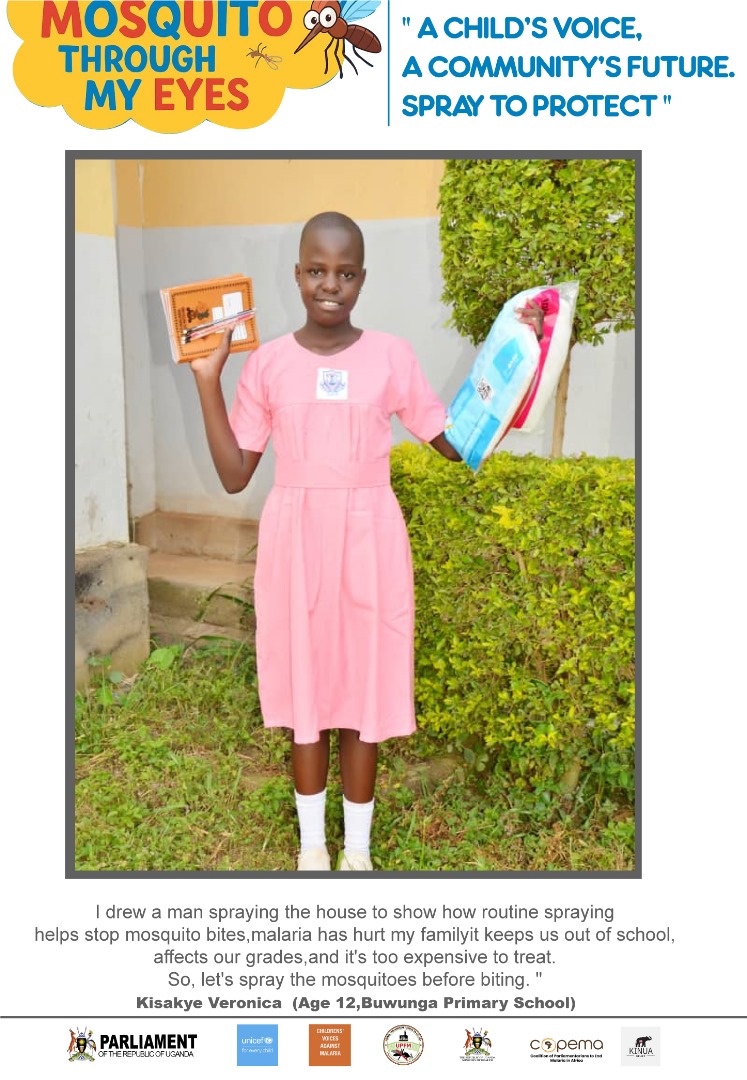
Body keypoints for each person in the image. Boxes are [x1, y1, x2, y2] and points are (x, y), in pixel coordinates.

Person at [189, 211, 543, 872]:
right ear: (297, 275)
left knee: (364, 691)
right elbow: (236, 474)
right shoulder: (266, 364)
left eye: (345, 273)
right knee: (306, 696)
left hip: (369, 543)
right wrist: (208, 381)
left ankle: (356, 851)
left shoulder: (389, 356)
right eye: (317, 271)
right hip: (296, 543)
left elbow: (450, 441)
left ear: (361, 279)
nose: (331, 285)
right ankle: (312, 848)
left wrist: (515, 374)